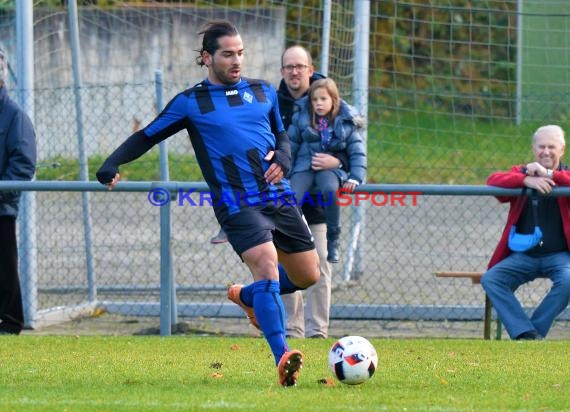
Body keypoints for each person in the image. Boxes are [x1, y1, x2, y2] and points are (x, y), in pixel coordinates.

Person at [95, 20, 319, 387]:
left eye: (240, 53)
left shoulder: (263, 91)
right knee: (266, 264)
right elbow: (147, 135)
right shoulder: (190, 102)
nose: (237, 61)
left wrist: (284, 154)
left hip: (278, 197)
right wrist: (111, 162)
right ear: (206, 58)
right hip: (235, 202)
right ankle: (283, 357)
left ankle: (248, 296)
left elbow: (282, 135)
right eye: (228, 54)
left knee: (307, 275)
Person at [481, 124, 570, 340]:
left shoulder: (565, 173)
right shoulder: (523, 172)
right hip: (524, 255)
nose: (546, 152)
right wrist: (525, 180)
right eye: (541, 147)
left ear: (562, 149)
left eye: (551, 147)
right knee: (492, 279)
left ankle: (532, 331)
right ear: (533, 148)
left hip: (559, 256)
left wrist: (549, 174)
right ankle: (524, 332)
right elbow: (493, 180)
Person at [278, 45, 341, 339]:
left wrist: (338, 162)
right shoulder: (271, 103)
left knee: (321, 266)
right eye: (289, 66)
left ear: (310, 69)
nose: (294, 72)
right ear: (282, 71)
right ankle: (293, 330)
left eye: (299, 66)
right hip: (281, 200)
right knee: (285, 265)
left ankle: (318, 332)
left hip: (316, 203)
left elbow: (350, 141)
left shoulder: (327, 99)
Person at [288, 77, 366, 263]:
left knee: (330, 191)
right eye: (315, 100)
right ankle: (302, 236)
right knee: (293, 197)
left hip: (330, 170)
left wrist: (355, 177)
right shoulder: (301, 118)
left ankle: (333, 239)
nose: (319, 104)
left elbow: (357, 153)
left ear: (334, 100)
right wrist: (284, 172)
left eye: (323, 99)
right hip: (304, 166)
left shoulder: (345, 123)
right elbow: (291, 147)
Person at [0, 46, 37, 335]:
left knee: (4, 268)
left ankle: (10, 322)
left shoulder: (14, 116)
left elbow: (23, 163)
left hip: (1, 207)